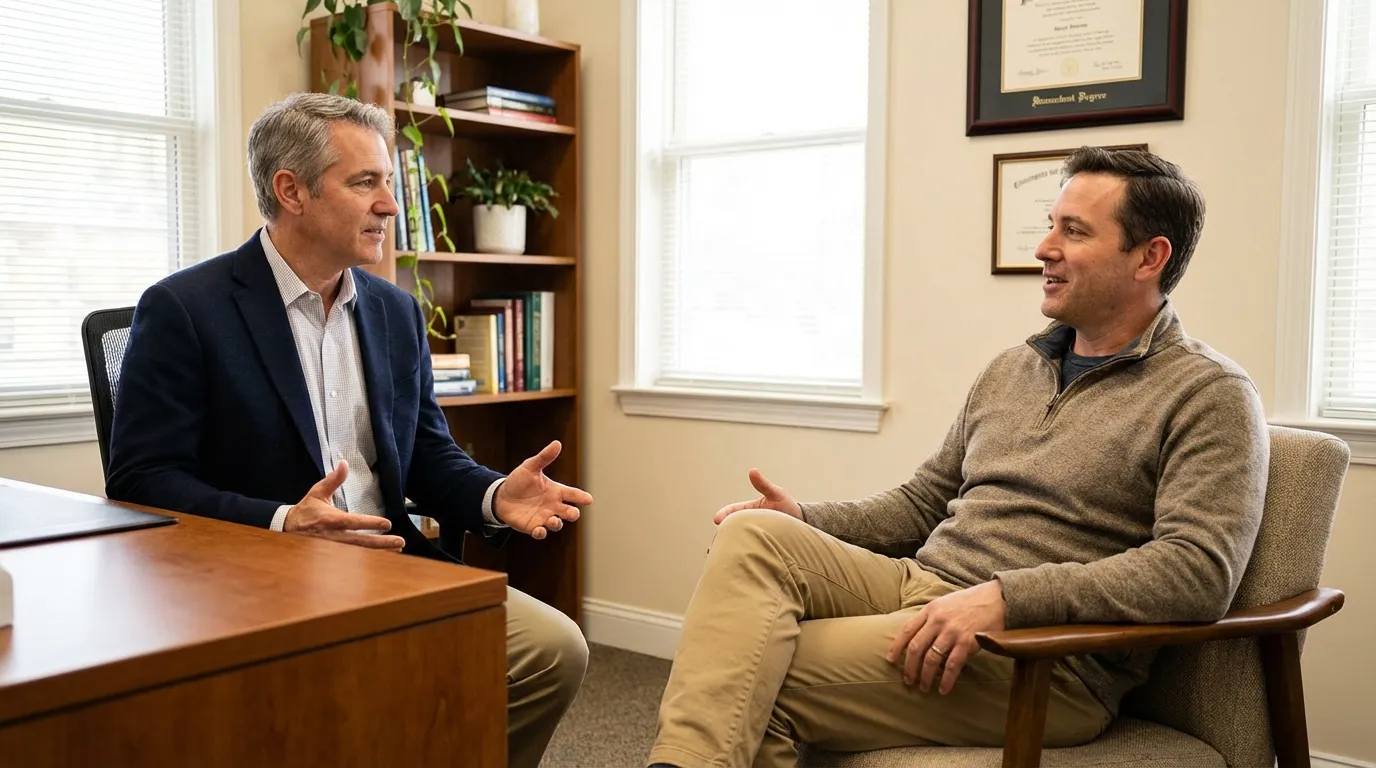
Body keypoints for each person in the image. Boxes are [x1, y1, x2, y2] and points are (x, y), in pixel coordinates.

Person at [646, 147, 1270, 768]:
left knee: (746, 668)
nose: (1044, 248)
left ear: (1149, 257)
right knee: (758, 536)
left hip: (1042, 659)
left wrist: (1006, 598)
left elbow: (1196, 572)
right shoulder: (1013, 368)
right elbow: (923, 502)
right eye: (1051, 224)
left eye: (1073, 231)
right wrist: (805, 519)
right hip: (926, 587)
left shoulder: (1208, 394)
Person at [105, 92, 591, 768]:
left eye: (388, 182)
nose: (390, 205)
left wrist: (491, 497)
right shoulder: (186, 309)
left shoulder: (394, 311)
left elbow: (423, 453)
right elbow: (141, 480)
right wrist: (282, 522)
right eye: (366, 183)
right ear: (291, 191)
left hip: (390, 568)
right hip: (257, 583)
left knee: (553, 649)